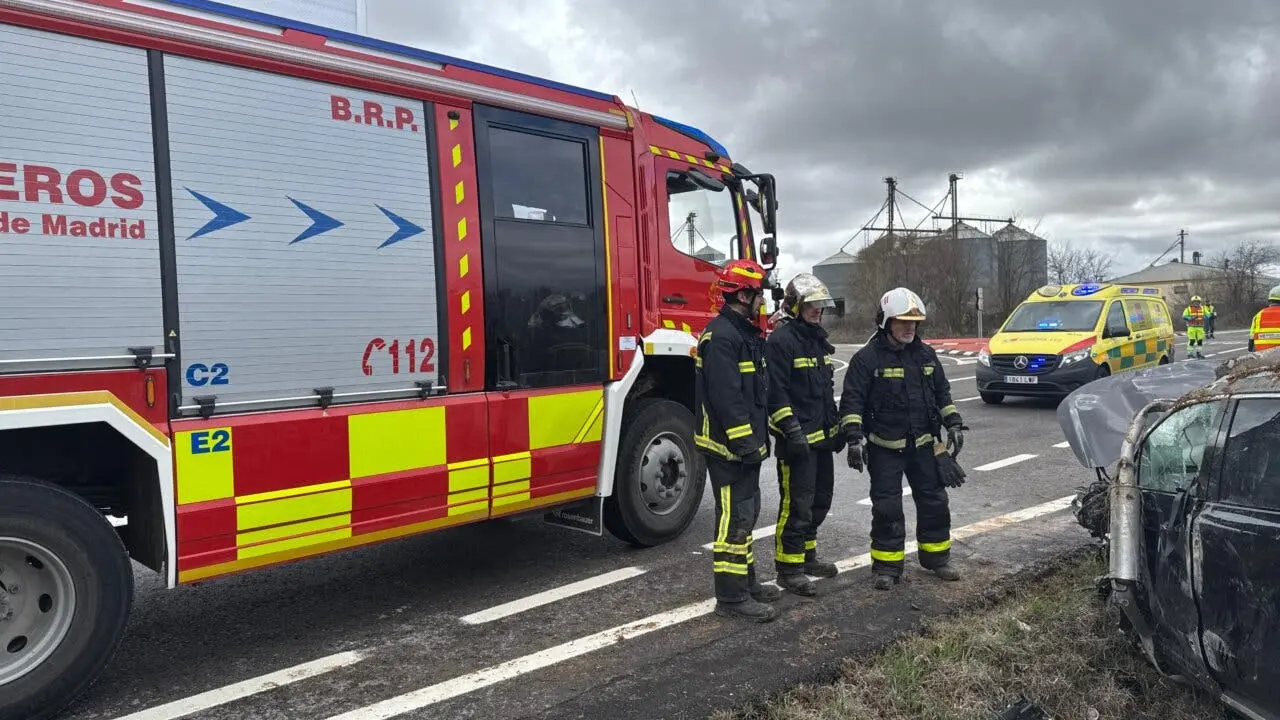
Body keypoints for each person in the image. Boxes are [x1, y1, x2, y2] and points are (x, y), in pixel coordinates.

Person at [839, 288, 965, 590]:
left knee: (935, 502)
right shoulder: (867, 359)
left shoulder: (925, 355)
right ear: (886, 322)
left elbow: (942, 393)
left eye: (914, 322)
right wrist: (854, 439)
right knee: (887, 508)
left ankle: (937, 559)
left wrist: (953, 424)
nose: (910, 327)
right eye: (903, 321)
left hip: (925, 445)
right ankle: (887, 567)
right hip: (885, 448)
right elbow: (852, 401)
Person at [694, 258, 780, 622]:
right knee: (734, 520)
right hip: (728, 449)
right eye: (759, 294)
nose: (763, 301)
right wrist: (745, 445)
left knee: (746, 515)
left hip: (744, 448)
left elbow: (755, 394)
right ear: (744, 295)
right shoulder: (722, 337)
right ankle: (731, 599)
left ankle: (746, 583)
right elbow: (727, 400)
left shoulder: (744, 334)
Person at [764, 273, 844, 597]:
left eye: (820, 305)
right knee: (796, 506)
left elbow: (825, 392)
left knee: (820, 501)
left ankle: (807, 557)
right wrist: (792, 431)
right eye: (811, 304)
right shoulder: (781, 342)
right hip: (796, 443)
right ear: (795, 306)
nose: (817, 310)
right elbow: (775, 394)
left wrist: (838, 429)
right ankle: (789, 568)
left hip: (821, 439)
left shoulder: (816, 340)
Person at [1249, 284, 1280, 353]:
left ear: (1270, 300)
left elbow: (1251, 338)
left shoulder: (1258, 315)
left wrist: (1251, 349)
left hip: (1262, 356)